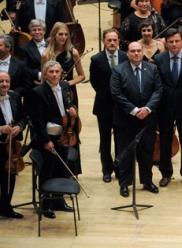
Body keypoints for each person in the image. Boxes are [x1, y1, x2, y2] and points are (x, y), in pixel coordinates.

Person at [111, 41, 163, 198]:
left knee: (146, 152)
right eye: (132, 51)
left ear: (142, 52)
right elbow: (116, 93)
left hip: (147, 119)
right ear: (127, 53)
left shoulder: (152, 68)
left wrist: (147, 109)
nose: (136, 53)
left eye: (138, 51)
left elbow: (158, 90)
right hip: (126, 119)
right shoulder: (119, 70)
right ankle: (125, 183)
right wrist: (134, 110)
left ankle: (147, 181)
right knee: (126, 152)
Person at [25, 60, 77, 218]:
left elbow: (69, 104)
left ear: (61, 73)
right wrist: (45, 140)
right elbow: (37, 120)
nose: (54, 74)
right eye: (51, 72)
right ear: (46, 74)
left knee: (61, 169)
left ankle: (59, 201)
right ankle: (46, 205)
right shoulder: (38, 92)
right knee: (48, 171)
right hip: (48, 138)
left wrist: (73, 111)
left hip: (64, 136)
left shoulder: (65, 86)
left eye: (57, 71)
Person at [153, 29, 182, 188]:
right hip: (165, 107)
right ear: (166, 42)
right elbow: (156, 84)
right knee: (165, 140)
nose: (174, 44)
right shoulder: (158, 59)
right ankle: (166, 173)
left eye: (177, 41)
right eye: (171, 41)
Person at [89, 29, 128, 183]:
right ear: (103, 41)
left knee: (120, 139)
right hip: (104, 105)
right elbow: (94, 82)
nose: (112, 43)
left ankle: (119, 168)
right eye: (108, 40)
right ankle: (107, 170)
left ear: (118, 41)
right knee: (105, 140)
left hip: (121, 106)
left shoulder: (125, 57)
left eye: (114, 40)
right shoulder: (96, 59)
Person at [0, 71, 26, 219]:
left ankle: (6, 207)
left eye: (6, 81)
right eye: (1, 81)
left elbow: (23, 117)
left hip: (12, 145)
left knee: (10, 178)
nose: (4, 84)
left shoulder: (15, 97)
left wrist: (20, 127)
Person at [41, 22, 85, 109]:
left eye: (66, 34)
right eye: (60, 34)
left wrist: (67, 83)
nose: (63, 37)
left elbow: (82, 76)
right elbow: (43, 78)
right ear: (54, 35)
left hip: (69, 91)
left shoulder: (74, 53)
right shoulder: (46, 55)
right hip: (51, 90)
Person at [17, 19, 47, 85]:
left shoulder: (52, 45)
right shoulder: (24, 48)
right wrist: (40, 75)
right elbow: (25, 69)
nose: (37, 32)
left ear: (44, 31)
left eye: (39, 29)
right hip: (35, 83)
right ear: (30, 32)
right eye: (34, 30)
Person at [0, 35, 31, 99]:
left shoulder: (21, 65)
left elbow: (27, 84)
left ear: (8, 47)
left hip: (13, 102)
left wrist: (14, 93)